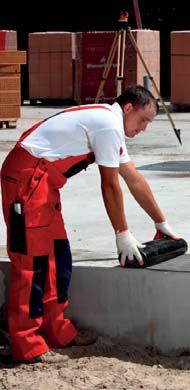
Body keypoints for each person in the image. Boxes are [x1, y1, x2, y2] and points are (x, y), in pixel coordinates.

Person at [1, 85, 180, 363]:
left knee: (58, 257)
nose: (144, 128)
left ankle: (57, 331)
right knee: (32, 265)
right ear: (128, 108)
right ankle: (27, 345)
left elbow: (134, 180)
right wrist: (122, 234)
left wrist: (162, 222)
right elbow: (110, 183)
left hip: (44, 186)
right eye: (143, 120)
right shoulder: (108, 125)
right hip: (27, 181)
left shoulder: (110, 126)